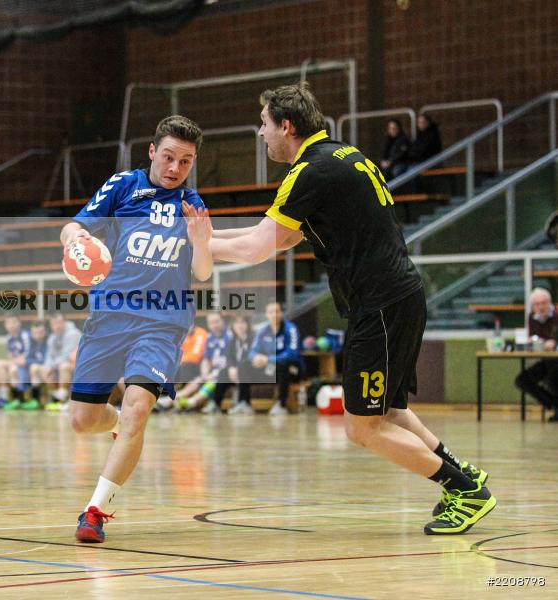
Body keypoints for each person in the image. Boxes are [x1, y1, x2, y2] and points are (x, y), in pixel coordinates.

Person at [197, 82, 495, 535]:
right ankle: (466, 478)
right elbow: (287, 237)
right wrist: (201, 243)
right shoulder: (344, 155)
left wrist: (196, 246)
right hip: (395, 297)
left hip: (380, 304)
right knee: (390, 412)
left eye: (263, 124)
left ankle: (466, 491)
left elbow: (258, 247)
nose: (261, 134)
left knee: (362, 428)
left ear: (286, 125)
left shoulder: (309, 173)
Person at [60, 115, 212, 543]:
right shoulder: (123, 186)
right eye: (168, 157)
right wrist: (74, 241)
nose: (175, 169)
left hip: (163, 322)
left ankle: (96, 512)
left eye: (185, 161)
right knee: (81, 420)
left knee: (138, 409)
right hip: (110, 317)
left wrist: (201, 243)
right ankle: (116, 425)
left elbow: (201, 273)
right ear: (152, 152)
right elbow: (73, 226)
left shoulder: (193, 204)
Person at [248, 302, 303, 415]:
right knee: (244, 364)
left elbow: (292, 354)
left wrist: (268, 359)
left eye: (277, 311)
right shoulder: (262, 331)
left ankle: (281, 404)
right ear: (266, 314)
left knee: (283, 364)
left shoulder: (290, 329)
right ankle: (244, 402)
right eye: (271, 312)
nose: (274, 314)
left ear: (281, 313)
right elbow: (252, 351)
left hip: (293, 368)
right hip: (271, 369)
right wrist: (256, 357)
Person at [514, 288, 558, 420]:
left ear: (550, 303)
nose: (541, 307)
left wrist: (555, 343)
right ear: (533, 306)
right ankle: (553, 403)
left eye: (544, 303)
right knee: (522, 380)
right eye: (537, 304)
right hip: (546, 360)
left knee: (554, 376)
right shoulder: (532, 317)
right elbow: (532, 336)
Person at [31, 313, 81, 410]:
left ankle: (62, 400)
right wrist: (48, 368)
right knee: (39, 369)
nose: (57, 326)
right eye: (54, 324)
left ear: (64, 322)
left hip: (76, 368)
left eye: (59, 323)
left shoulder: (73, 334)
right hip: (57, 367)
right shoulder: (52, 337)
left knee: (64, 366)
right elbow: (49, 357)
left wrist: (52, 367)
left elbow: (67, 356)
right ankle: (52, 398)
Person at [213, 313, 255, 414]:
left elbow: (251, 357)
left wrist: (237, 369)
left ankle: (245, 403)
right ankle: (215, 403)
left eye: (242, 322)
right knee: (223, 371)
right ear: (232, 326)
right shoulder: (233, 341)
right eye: (236, 323)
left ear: (248, 324)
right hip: (237, 372)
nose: (240, 326)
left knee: (243, 367)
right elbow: (230, 358)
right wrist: (231, 368)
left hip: (252, 371)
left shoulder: (253, 338)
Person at [0, 315, 31, 408]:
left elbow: (28, 353)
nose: (11, 325)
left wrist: (15, 359)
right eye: (8, 323)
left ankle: (5, 398)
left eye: (14, 322)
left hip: (25, 364)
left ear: (19, 323)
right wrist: (13, 359)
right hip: (15, 362)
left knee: (12, 368)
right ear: (5, 326)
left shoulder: (25, 335)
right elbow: (10, 355)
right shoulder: (9, 337)